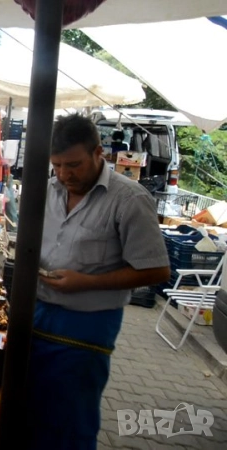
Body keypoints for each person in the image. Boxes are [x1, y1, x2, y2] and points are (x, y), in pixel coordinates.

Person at [28, 114, 170, 448]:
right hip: (38, 313)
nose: (65, 175)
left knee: (72, 417)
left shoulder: (130, 200)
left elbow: (157, 270)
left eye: (74, 165)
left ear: (98, 153)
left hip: (88, 326)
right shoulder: (47, 190)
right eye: (57, 165)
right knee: (34, 407)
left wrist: (86, 282)